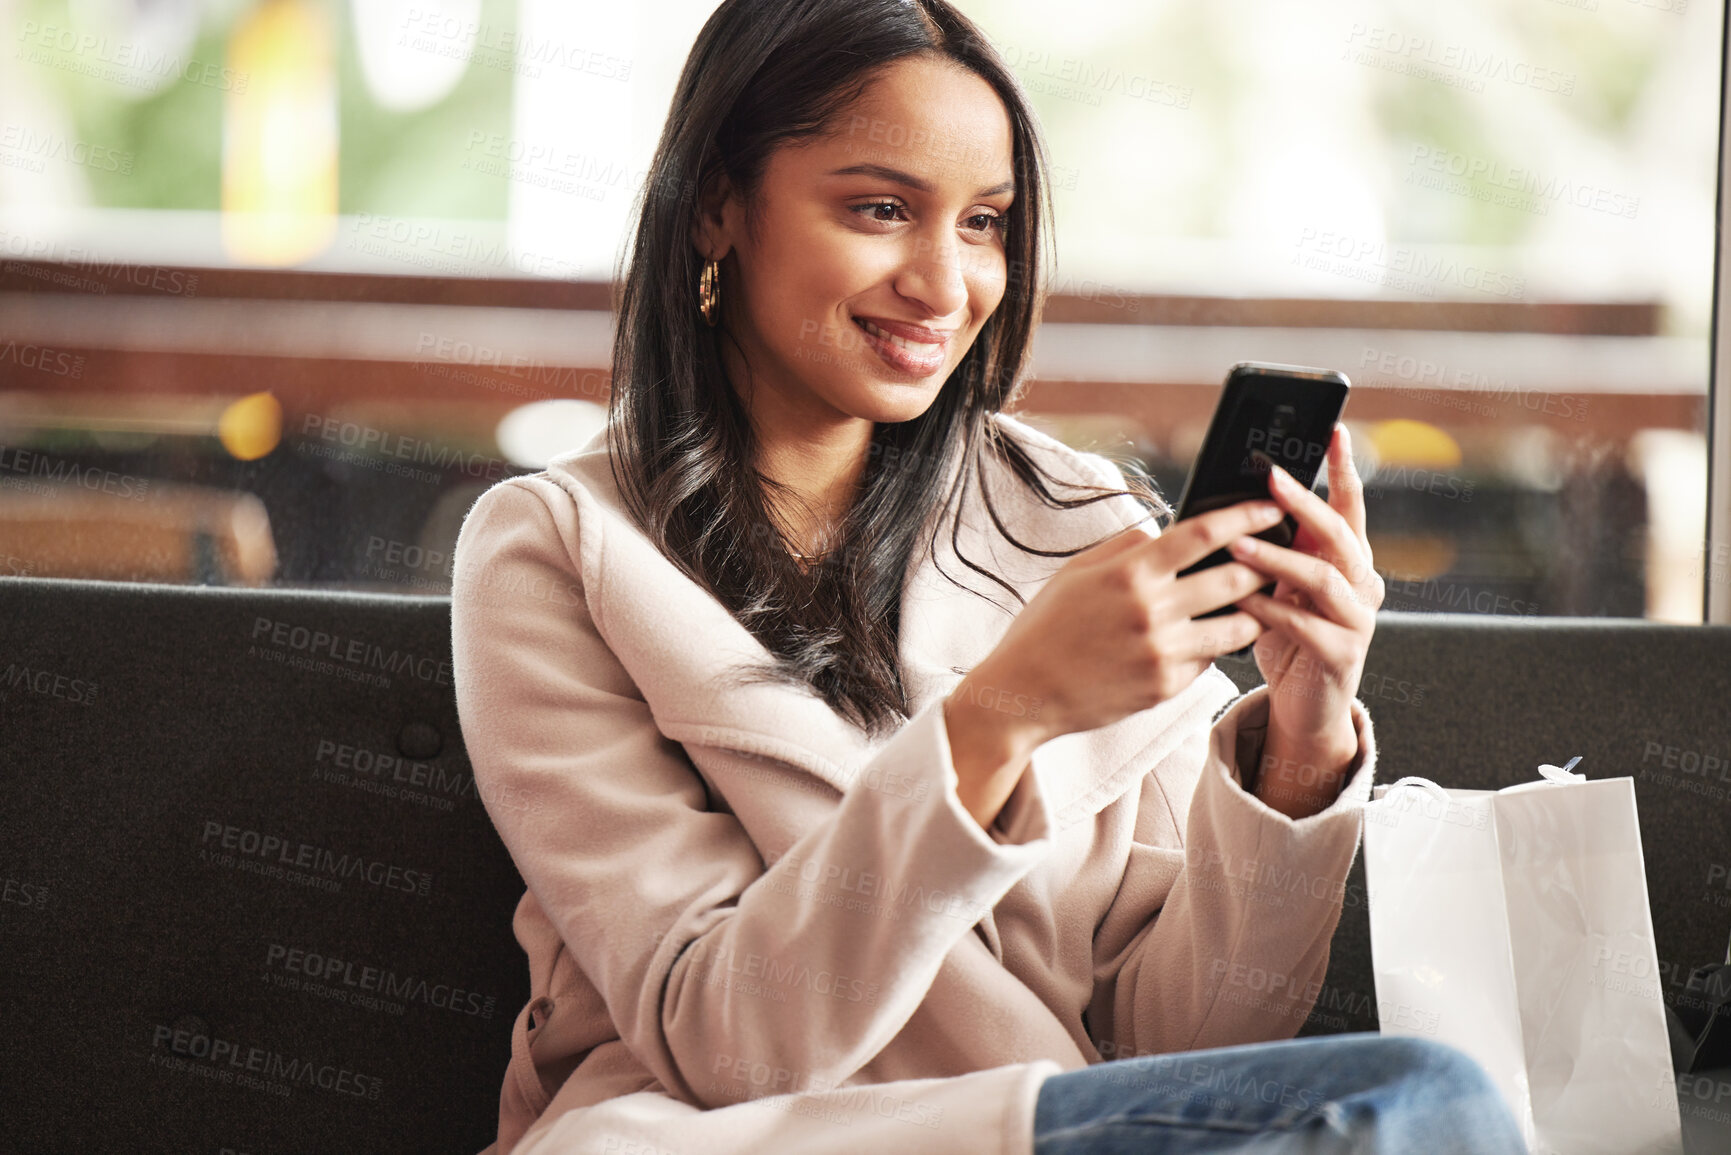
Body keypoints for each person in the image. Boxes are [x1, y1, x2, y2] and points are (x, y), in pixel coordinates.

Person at [449, 1, 1529, 1152]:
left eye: (984, 224)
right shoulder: (556, 550)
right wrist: (1005, 714)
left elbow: (1189, 1043)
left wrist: (1301, 741)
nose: (943, 282)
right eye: (879, 210)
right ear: (718, 204)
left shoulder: (1075, 523)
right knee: (1417, 1103)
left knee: (1417, 1106)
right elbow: (731, 1041)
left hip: (1041, 1127)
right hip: (726, 1135)